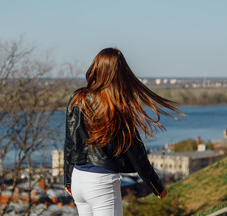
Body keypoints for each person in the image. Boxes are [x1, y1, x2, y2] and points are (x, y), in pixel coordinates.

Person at [64, 48, 184, 216]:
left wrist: (68, 179)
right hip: (102, 183)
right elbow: (135, 151)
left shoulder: (78, 98)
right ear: (120, 72)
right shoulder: (116, 105)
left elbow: (71, 143)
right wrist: (156, 186)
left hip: (78, 179)